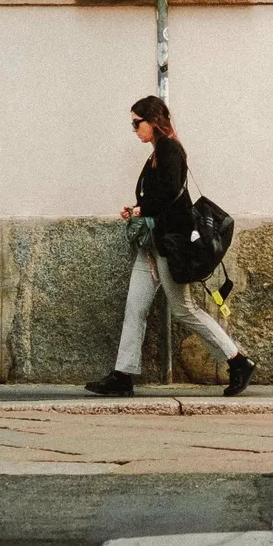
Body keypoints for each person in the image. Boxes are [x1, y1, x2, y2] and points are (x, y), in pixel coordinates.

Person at [85, 95, 256, 398]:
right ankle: (123, 375)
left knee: (184, 310)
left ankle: (238, 361)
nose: (134, 129)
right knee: (135, 308)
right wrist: (137, 209)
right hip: (152, 245)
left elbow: (169, 193)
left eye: (137, 123)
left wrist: (142, 209)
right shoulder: (156, 152)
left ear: (153, 121)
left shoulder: (170, 149)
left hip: (170, 244)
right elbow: (158, 195)